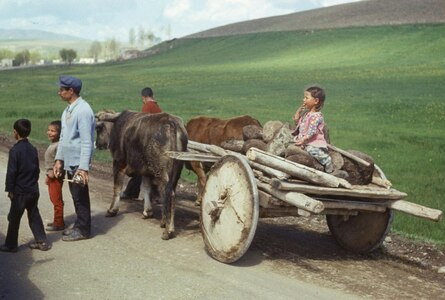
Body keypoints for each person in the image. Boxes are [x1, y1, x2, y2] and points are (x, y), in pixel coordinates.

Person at [53, 75, 95, 241]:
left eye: (62, 90)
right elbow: (63, 138)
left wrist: (83, 168)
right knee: (75, 195)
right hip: (69, 161)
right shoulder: (68, 110)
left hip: (78, 162)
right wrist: (58, 160)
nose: (59, 92)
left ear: (71, 91)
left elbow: (87, 141)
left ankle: (84, 230)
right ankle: (79, 224)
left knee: (80, 196)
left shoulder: (83, 110)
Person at [0, 119, 50, 252]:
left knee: (14, 218)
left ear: (15, 132)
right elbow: (37, 170)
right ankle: (42, 241)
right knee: (34, 215)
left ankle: (11, 245)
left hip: (20, 192)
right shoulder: (33, 149)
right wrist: (33, 183)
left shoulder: (15, 150)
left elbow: (12, 172)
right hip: (33, 189)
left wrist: (10, 189)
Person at [120, 87, 162, 199]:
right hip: (158, 142)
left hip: (150, 143)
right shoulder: (157, 107)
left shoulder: (147, 106)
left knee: (139, 168)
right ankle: (154, 194)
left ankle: (130, 192)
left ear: (143, 97)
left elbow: (142, 126)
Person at [293, 85, 334, 173]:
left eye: (306, 98)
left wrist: (303, 139)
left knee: (311, 150)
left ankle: (327, 160)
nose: (303, 100)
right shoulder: (306, 114)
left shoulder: (316, 116)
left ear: (316, 101)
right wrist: (298, 112)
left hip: (312, 142)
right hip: (303, 140)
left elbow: (312, 131)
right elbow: (298, 123)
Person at [45, 120, 65, 231]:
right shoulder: (53, 144)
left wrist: (51, 175)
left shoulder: (58, 146)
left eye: (53, 131)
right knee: (55, 199)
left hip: (55, 177)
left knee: (56, 200)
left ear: (60, 133)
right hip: (50, 176)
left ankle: (59, 223)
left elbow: (59, 162)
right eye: (48, 130)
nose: (49, 132)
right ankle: (58, 220)